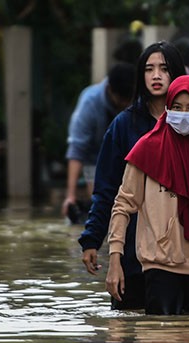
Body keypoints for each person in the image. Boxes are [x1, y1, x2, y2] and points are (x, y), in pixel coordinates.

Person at [77, 42, 187, 310]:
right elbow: (107, 190)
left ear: (177, 74)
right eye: (149, 69)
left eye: (164, 69)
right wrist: (92, 239)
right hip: (133, 246)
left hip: (181, 248)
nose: (157, 75)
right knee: (129, 332)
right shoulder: (125, 125)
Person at [106, 75, 189, 315]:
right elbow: (123, 205)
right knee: (160, 342)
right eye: (177, 107)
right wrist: (114, 258)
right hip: (159, 263)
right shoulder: (147, 148)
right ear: (167, 109)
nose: (184, 114)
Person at [62, 62, 135, 223]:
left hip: (130, 157)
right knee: (100, 206)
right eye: (121, 100)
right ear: (110, 90)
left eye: (127, 100)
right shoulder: (89, 103)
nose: (124, 105)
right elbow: (77, 149)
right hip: (94, 159)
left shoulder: (138, 100)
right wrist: (71, 196)